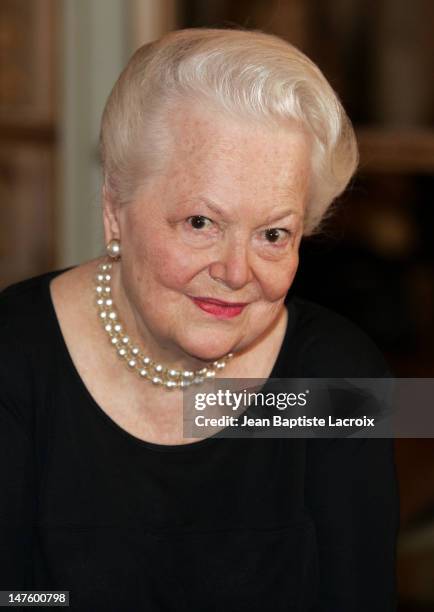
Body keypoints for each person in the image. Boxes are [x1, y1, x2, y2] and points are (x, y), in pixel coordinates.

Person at [0, 28, 399, 611]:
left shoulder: (343, 379)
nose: (237, 272)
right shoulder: (14, 359)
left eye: (272, 234)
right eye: (200, 223)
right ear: (115, 210)